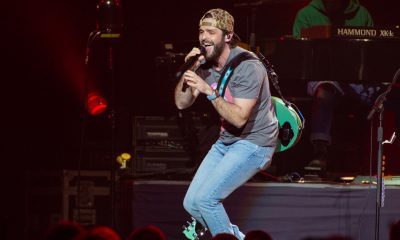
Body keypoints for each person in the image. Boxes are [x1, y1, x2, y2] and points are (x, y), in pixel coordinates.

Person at [174, 8, 278, 240]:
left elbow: (239, 118)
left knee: (207, 200)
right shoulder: (204, 65)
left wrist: (207, 91)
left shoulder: (247, 66)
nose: (204, 37)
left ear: (228, 36)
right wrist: (191, 67)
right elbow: (181, 103)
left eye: (211, 32)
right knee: (192, 203)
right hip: (227, 141)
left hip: (255, 143)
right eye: (201, 31)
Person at [292, 0, 400, 175]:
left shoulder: (362, 14)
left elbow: (375, 53)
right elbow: (298, 57)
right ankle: (320, 152)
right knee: (324, 93)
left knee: (394, 95)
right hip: (323, 79)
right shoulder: (306, 15)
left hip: (360, 82)